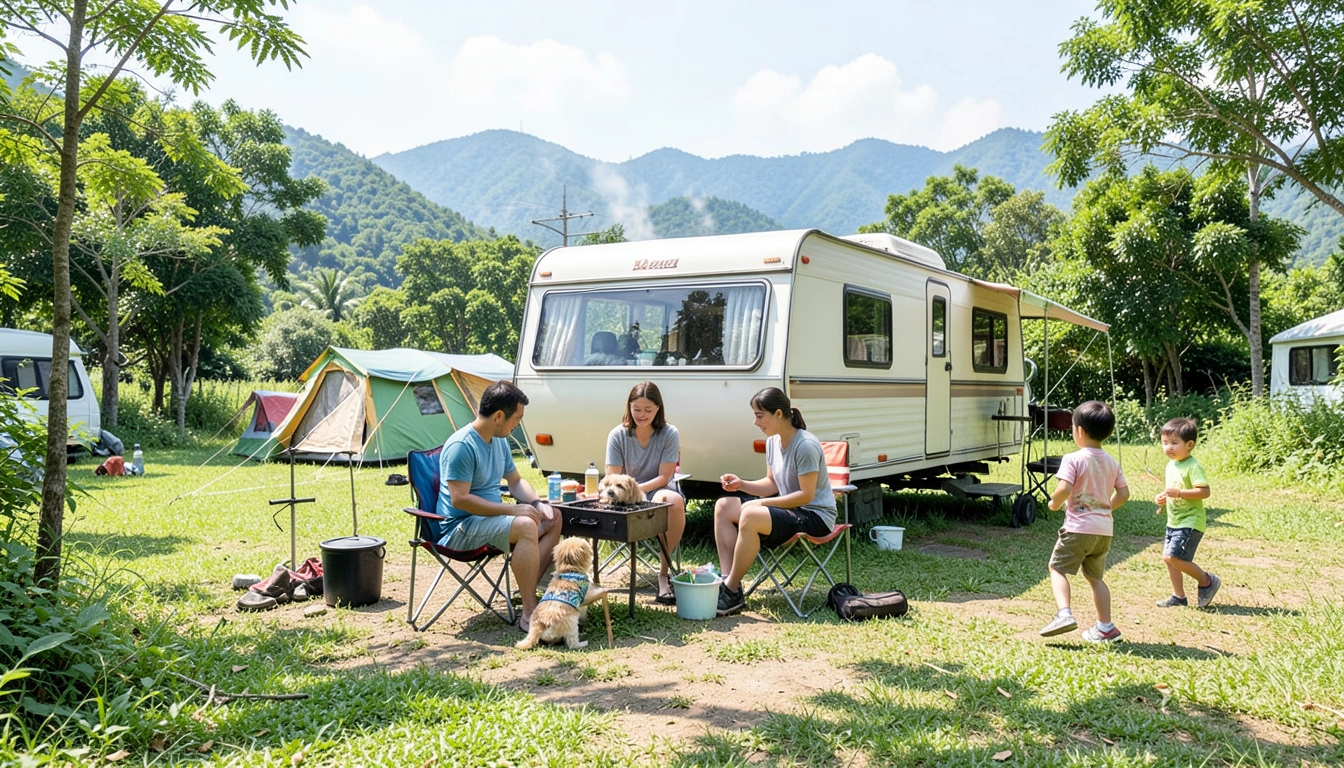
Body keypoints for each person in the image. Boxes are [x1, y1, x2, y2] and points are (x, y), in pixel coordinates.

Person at [437, 380, 561, 632]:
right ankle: (529, 613)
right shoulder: (462, 446)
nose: (517, 425)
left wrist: (536, 502)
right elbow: (459, 499)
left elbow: (515, 481)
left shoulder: (499, 440)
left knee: (554, 516)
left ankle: (525, 586)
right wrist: (512, 510)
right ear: (499, 416)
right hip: (459, 529)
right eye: (516, 418)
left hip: (491, 522)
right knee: (526, 524)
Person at [713, 387, 836, 616]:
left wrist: (762, 504)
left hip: (815, 516)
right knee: (723, 506)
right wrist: (741, 484)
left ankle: (729, 590)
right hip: (791, 510)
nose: (755, 422)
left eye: (759, 416)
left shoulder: (805, 445)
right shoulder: (773, 442)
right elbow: (772, 483)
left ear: (778, 414)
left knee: (750, 514)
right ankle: (729, 582)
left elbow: (806, 496)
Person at [1039, 400, 1130, 643]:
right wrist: (1103, 509)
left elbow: (1064, 488)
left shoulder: (1073, 458)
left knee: (1057, 568)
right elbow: (1124, 494)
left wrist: (1053, 503)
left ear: (1079, 431)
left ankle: (1064, 614)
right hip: (1103, 530)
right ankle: (1106, 627)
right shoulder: (1112, 462)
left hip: (1078, 529)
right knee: (1095, 578)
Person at [605, 381, 686, 604]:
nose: (642, 415)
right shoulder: (618, 435)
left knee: (669, 500)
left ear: (658, 409)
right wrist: (627, 492)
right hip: (624, 494)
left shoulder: (669, 433)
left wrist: (637, 490)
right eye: (637, 409)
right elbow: (612, 477)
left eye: (648, 410)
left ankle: (664, 574)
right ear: (629, 407)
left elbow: (664, 477)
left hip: (657, 490)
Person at [1154, 417, 1219, 608]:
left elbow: (1204, 492)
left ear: (1189, 444)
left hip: (1190, 522)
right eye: (1165, 443)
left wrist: (1180, 493)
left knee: (1173, 557)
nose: (1168, 448)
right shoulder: (1171, 465)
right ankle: (1178, 597)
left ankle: (1207, 581)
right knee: (1170, 560)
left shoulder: (1193, 466)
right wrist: (1163, 498)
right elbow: (1172, 491)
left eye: (1174, 443)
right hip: (1174, 521)